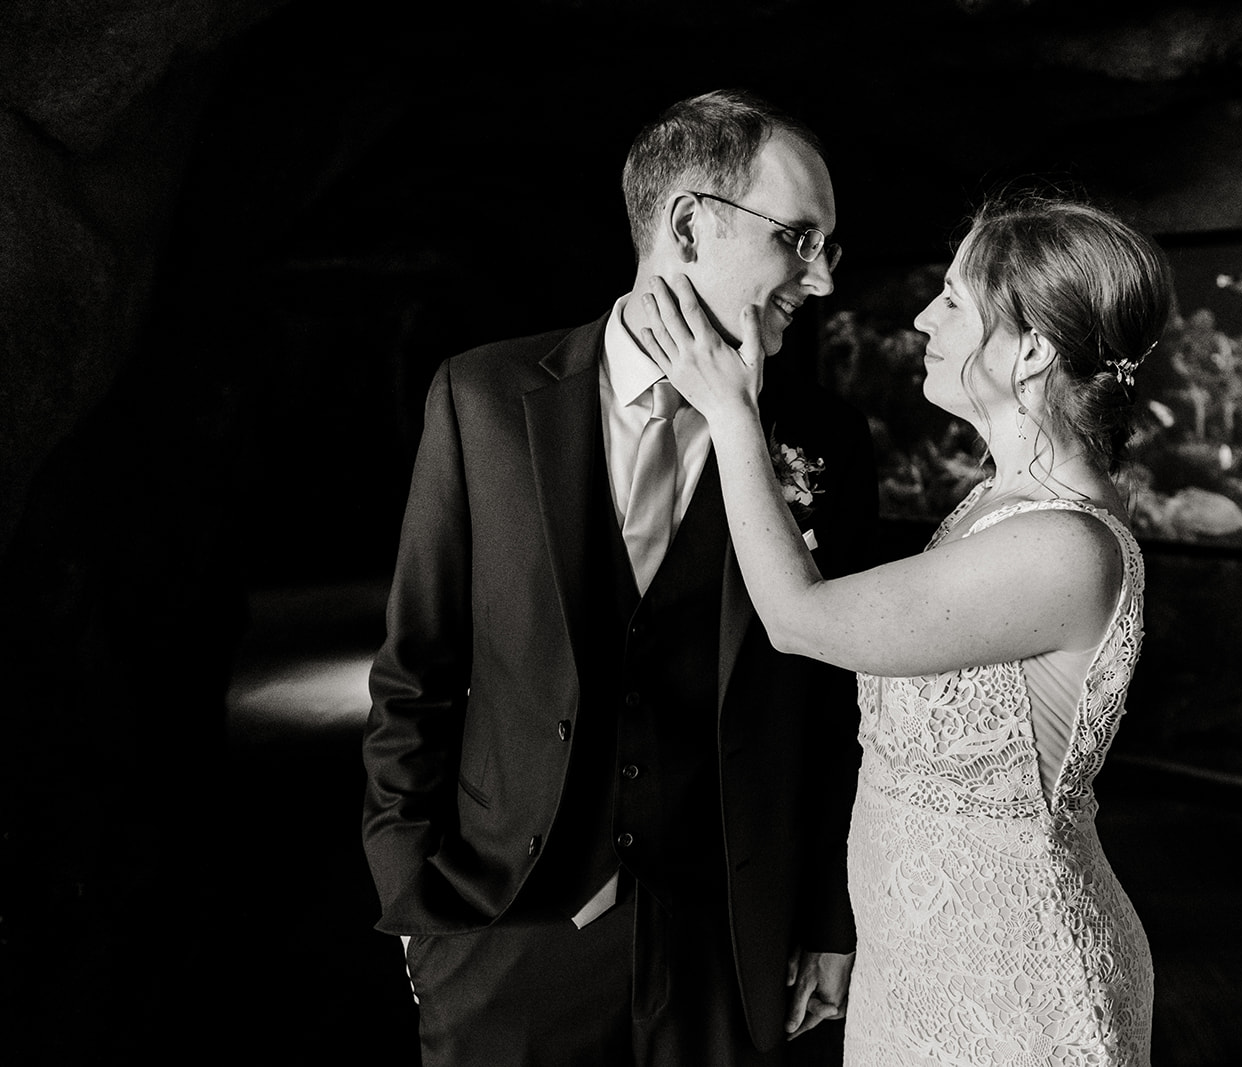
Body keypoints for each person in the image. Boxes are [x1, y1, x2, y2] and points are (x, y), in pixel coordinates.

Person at [361, 89, 880, 1067]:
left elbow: (833, 705)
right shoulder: (482, 399)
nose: (819, 281)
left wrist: (825, 917)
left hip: (727, 944)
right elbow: (414, 672)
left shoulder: (824, 439)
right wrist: (419, 906)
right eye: (798, 239)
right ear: (688, 225)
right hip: (506, 936)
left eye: (828, 249)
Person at [636, 189, 1173, 1066]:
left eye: (955, 300)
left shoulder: (1062, 544)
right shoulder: (998, 503)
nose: (924, 316)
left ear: (1033, 348)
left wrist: (732, 411)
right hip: (920, 960)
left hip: (1013, 985)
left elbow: (800, 621)